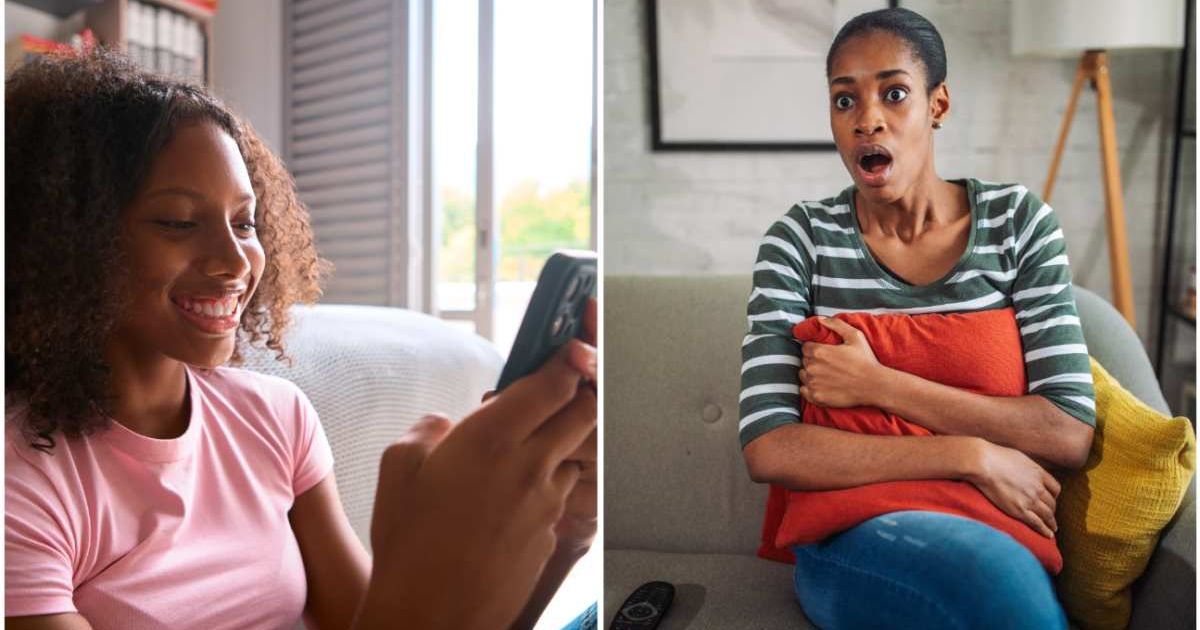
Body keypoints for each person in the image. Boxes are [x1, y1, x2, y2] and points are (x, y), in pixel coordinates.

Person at [5, 50, 597, 630]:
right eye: (180, 222)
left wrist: (557, 538)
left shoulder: (275, 416)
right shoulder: (25, 480)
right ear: (68, 243)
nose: (236, 260)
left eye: (245, 223)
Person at [738, 8, 1095, 630]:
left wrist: (879, 386)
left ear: (938, 105)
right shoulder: (800, 240)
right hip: (851, 535)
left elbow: (1066, 432)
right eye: (844, 100)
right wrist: (972, 456)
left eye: (894, 94)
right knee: (985, 585)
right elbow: (770, 448)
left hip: (999, 522)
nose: (867, 119)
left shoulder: (1018, 223)